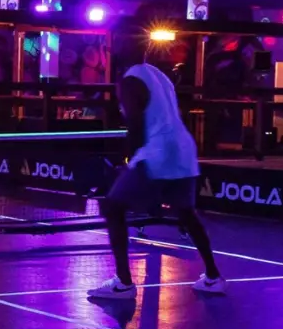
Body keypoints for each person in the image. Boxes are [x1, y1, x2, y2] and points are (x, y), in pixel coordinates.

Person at [89, 62, 225, 299]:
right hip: (183, 149)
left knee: (113, 207)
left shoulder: (129, 81)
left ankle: (123, 283)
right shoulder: (160, 76)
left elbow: (136, 124)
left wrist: (128, 161)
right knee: (186, 213)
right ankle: (213, 277)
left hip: (157, 151)